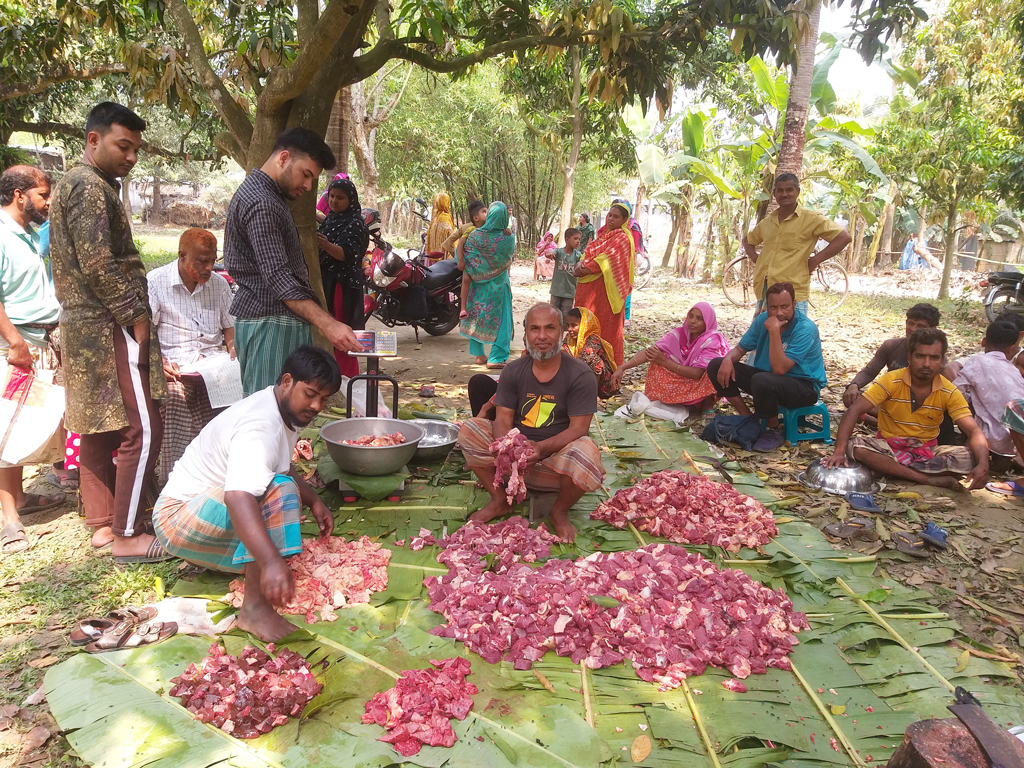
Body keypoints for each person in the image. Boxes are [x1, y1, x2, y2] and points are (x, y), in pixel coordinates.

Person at [48, 102, 168, 561]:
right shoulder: (89, 186)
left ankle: (101, 523)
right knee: (143, 426)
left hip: (84, 325)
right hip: (108, 323)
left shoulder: (79, 184)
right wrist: (135, 313)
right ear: (93, 140)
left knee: (99, 425)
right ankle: (127, 533)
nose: (132, 156)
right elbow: (99, 263)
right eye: (124, 145)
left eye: (137, 149)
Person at [153, 346, 339, 642]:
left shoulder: (280, 406)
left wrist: (315, 500)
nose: (316, 405)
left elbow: (281, 465)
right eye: (311, 394)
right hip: (177, 518)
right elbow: (238, 497)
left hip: (200, 511)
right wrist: (270, 563)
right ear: (288, 381)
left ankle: (251, 576)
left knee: (280, 484)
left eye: (324, 399)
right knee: (279, 491)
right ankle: (254, 610)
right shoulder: (260, 425)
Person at [224, 127, 360, 396]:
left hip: (277, 322)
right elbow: (279, 277)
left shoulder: (269, 197)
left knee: (285, 413)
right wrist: (328, 324)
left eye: (313, 179)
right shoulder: (261, 202)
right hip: (269, 323)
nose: (309, 186)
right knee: (266, 413)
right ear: (284, 158)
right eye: (306, 174)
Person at [456, 304, 605, 542]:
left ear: (562, 332)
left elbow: (579, 428)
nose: (542, 336)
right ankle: (499, 500)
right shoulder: (514, 370)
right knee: (469, 430)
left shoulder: (580, 374)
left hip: (555, 466)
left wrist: (541, 448)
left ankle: (559, 511)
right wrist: (510, 447)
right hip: (514, 465)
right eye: (535, 329)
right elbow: (503, 418)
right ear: (525, 334)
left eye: (550, 328)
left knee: (587, 452)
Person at [823, 328, 989, 492]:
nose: (926, 363)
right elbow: (853, 411)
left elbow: (974, 431)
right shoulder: (891, 380)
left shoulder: (948, 391)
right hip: (887, 447)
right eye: (920, 356)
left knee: (971, 457)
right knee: (855, 446)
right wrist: (838, 452)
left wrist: (983, 465)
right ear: (910, 357)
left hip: (926, 452)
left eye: (934, 357)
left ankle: (889, 470)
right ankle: (925, 478)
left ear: (943, 360)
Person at [0, 165, 66, 554]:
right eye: (42, 194)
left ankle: (21, 499)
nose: (48, 201)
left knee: (28, 426)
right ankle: (9, 520)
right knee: (7, 431)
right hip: (15, 348)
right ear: (19, 194)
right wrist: (14, 343)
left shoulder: (27, 232)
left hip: (38, 341)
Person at [149, 228, 236, 486]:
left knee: (237, 399)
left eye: (213, 260)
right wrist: (159, 362)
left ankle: (221, 479)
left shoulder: (219, 285)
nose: (209, 267)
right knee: (175, 399)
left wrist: (233, 348)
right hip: (175, 366)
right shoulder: (155, 282)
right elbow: (147, 334)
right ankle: (175, 483)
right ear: (182, 255)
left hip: (212, 365)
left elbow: (229, 327)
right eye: (202, 261)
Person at [706, 282, 826, 452]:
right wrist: (727, 360)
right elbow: (740, 349)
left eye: (784, 306)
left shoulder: (805, 329)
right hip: (767, 380)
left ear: (794, 304)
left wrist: (774, 331)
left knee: (762, 379)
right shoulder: (763, 320)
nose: (779, 313)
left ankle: (773, 429)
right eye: (773, 307)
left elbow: (780, 369)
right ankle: (748, 418)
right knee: (716, 365)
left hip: (804, 386)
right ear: (767, 307)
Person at [742, 173, 852, 315]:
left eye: (789, 189)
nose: (785, 194)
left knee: (792, 335)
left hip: (792, 293)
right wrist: (758, 261)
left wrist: (815, 261)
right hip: (766, 291)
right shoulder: (768, 222)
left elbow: (843, 237)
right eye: (780, 190)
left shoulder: (811, 219)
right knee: (764, 335)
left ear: (797, 192)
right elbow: (747, 241)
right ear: (774, 194)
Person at [611, 302, 730, 409]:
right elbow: (650, 353)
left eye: (699, 318)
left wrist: (664, 361)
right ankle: (676, 401)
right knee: (657, 356)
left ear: (708, 321)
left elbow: (697, 374)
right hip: (683, 377)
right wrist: (622, 367)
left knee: (714, 367)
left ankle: (706, 405)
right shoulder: (679, 333)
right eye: (691, 316)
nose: (693, 321)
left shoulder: (712, 339)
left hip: (699, 380)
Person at [316, 176, 369, 379]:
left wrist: (326, 245)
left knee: (342, 334)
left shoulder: (355, 223)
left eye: (340, 198)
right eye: (331, 196)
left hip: (342, 286)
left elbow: (348, 254)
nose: (334, 201)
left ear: (351, 201)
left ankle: (345, 379)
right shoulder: (331, 219)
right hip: (327, 283)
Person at [573, 201, 635, 367]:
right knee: (587, 328)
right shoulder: (603, 236)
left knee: (605, 331)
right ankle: (583, 368)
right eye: (610, 215)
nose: (611, 219)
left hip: (606, 296)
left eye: (616, 217)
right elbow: (588, 252)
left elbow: (605, 260)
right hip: (591, 293)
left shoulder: (622, 238)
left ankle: (607, 371)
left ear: (624, 220)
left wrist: (583, 267)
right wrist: (581, 263)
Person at [844, 303, 941, 407]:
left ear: (932, 329)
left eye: (920, 326)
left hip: (919, 405)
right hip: (890, 398)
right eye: (911, 323)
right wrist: (854, 385)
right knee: (851, 397)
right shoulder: (891, 345)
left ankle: (875, 419)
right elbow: (869, 372)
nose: (913, 329)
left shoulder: (936, 355)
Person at [951, 321, 1024, 459]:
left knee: (955, 399)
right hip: (1017, 440)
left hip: (991, 436)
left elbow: (954, 391)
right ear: (1010, 348)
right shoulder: (1013, 369)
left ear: (983, 341)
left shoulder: (977, 361)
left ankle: (974, 447)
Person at [460, 201, 515, 369]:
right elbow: (508, 258)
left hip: (477, 286)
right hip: (499, 287)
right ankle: (496, 358)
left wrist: (474, 270)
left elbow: (465, 257)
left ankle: (479, 355)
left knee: (477, 316)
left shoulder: (475, 236)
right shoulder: (508, 237)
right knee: (503, 321)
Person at [563, 307, 618, 399]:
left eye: (574, 325)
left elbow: (584, 360)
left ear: (585, 325)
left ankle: (592, 393)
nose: (569, 329)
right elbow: (562, 355)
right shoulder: (569, 339)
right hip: (577, 377)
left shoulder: (593, 339)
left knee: (594, 361)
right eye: (568, 325)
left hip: (603, 385)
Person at [449, 200, 488, 321]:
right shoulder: (471, 230)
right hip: (468, 260)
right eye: (484, 212)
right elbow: (461, 243)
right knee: (466, 279)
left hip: (481, 264)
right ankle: (463, 308)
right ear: (476, 218)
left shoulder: (491, 229)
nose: (488, 213)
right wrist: (461, 260)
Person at [550, 228, 582, 318]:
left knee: (565, 315)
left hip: (569, 292)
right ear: (567, 239)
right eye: (575, 239)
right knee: (553, 313)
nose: (578, 241)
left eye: (579, 239)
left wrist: (580, 265)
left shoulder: (578, 255)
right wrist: (549, 253)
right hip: (556, 291)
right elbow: (550, 252)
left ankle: (563, 331)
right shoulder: (559, 252)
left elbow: (582, 261)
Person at [424, 193, 455, 259]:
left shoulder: (436, 217)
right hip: (440, 255)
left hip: (432, 252)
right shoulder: (444, 217)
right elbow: (449, 232)